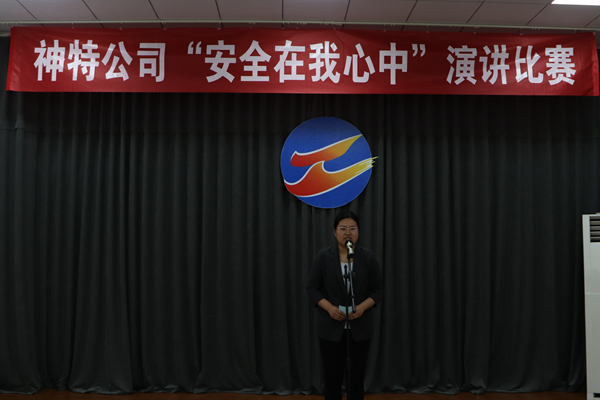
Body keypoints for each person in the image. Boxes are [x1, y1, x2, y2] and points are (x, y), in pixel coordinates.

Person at [306, 210, 384, 400]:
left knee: (356, 380)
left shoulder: (368, 257)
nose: (348, 233)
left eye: (352, 228)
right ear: (335, 232)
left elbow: (378, 290)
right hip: (330, 328)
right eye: (343, 228)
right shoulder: (324, 256)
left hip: (360, 329)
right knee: (332, 379)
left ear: (358, 231)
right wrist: (329, 308)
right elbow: (312, 288)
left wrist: (362, 307)